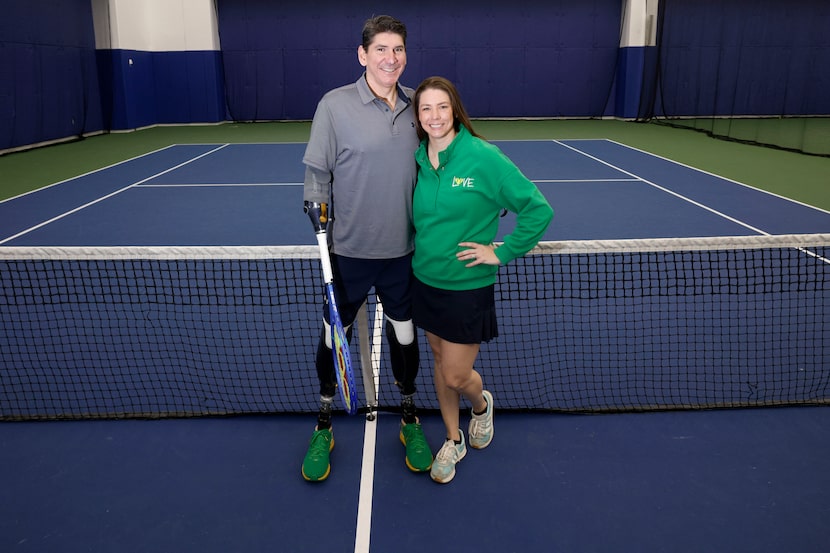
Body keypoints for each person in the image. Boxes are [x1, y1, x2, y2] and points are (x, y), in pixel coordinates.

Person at [300, 15, 432, 482]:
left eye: (398, 49)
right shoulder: (334, 106)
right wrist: (316, 207)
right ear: (363, 54)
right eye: (381, 49)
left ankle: (409, 414)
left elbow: (446, 160)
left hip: (404, 254)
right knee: (331, 339)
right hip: (348, 255)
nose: (390, 58)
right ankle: (323, 422)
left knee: (405, 338)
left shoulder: (419, 104)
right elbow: (317, 176)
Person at [411, 76, 554, 484]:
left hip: (467, 287)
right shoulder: (418, 158)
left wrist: (502, 252)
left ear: (455, 110)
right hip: (425, 280)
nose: (434, 116)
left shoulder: (483, 157)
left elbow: (538, 209)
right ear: (417, 116)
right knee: (439, 360)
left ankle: (481, 404)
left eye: (442, 107)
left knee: (456, 375)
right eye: (426, 108)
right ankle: (453, 438)